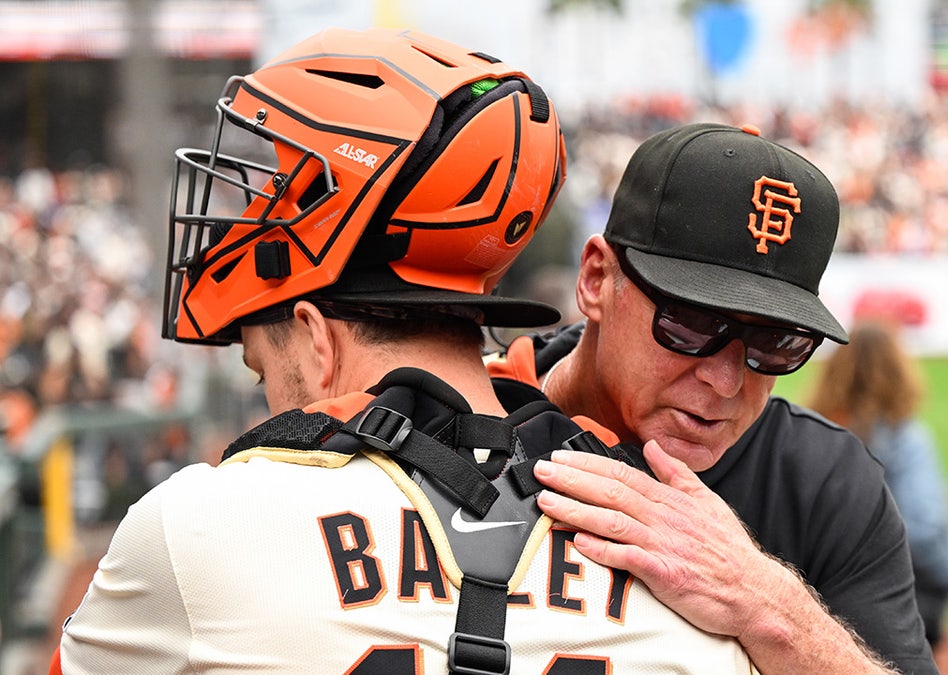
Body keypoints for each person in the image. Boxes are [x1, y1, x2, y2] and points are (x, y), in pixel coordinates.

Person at [52, 29, 758, 674]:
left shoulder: (192, 528)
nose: (269, 393)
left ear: (316, 337)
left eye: (263, 366)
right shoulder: (688, 575)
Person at [488, 122, 939, 673]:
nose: (725, 382)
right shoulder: (459, 420)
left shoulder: (823, 481)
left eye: (776, 343)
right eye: (692, 323)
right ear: (596, 279)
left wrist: (767, 603)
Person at [807, 318, 948, 652]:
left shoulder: (809, 430)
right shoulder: (905, 438)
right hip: (901, 600)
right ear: (898, 367)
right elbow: (924, 531)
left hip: (821, 595)